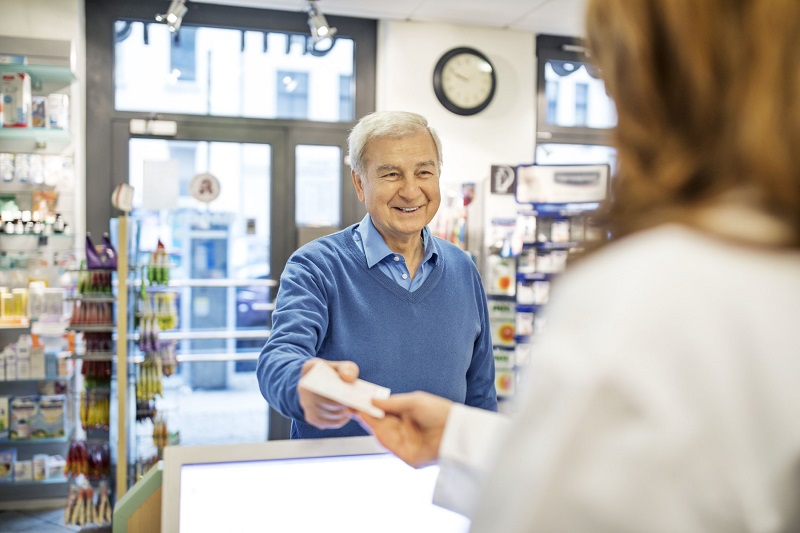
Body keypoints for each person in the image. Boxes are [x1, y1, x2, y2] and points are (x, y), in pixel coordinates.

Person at [357, 0, 800, 531]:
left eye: (607, 68)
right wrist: (463, 436)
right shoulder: (764, 270)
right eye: (390, 175)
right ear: (360, 184)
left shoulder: (649, 290)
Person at [256, 110, 497, 439]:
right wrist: (302, 381)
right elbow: (278, 357)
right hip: (340, 479)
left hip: (435, 479)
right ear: (359, 182)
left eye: (424, 172)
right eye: (392, 175)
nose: (411, 191)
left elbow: (481, 396)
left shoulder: (462, 269)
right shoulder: (316, 266)